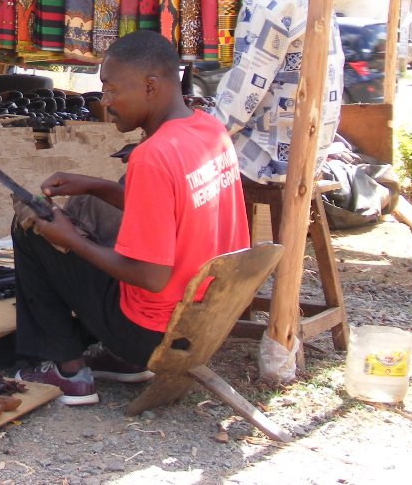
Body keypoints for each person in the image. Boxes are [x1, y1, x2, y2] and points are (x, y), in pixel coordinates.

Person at [13, 30, 250, 405]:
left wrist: (68, 239)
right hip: (204, 321)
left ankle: (67, 370)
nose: (105, 102)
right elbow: (171, 206)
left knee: (31, 224)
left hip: (152, 332)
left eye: (112, 90)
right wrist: (93, 186)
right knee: (85, 218)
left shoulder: (152, 155)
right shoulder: (209, 130)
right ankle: (122, 362)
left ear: (150, 87)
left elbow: (149, 277)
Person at [210, 0, 344, 184]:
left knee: (161, 166)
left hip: (272, 159)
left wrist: (185, 135)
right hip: (309, 152)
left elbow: (236, 106)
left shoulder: (267, 3)